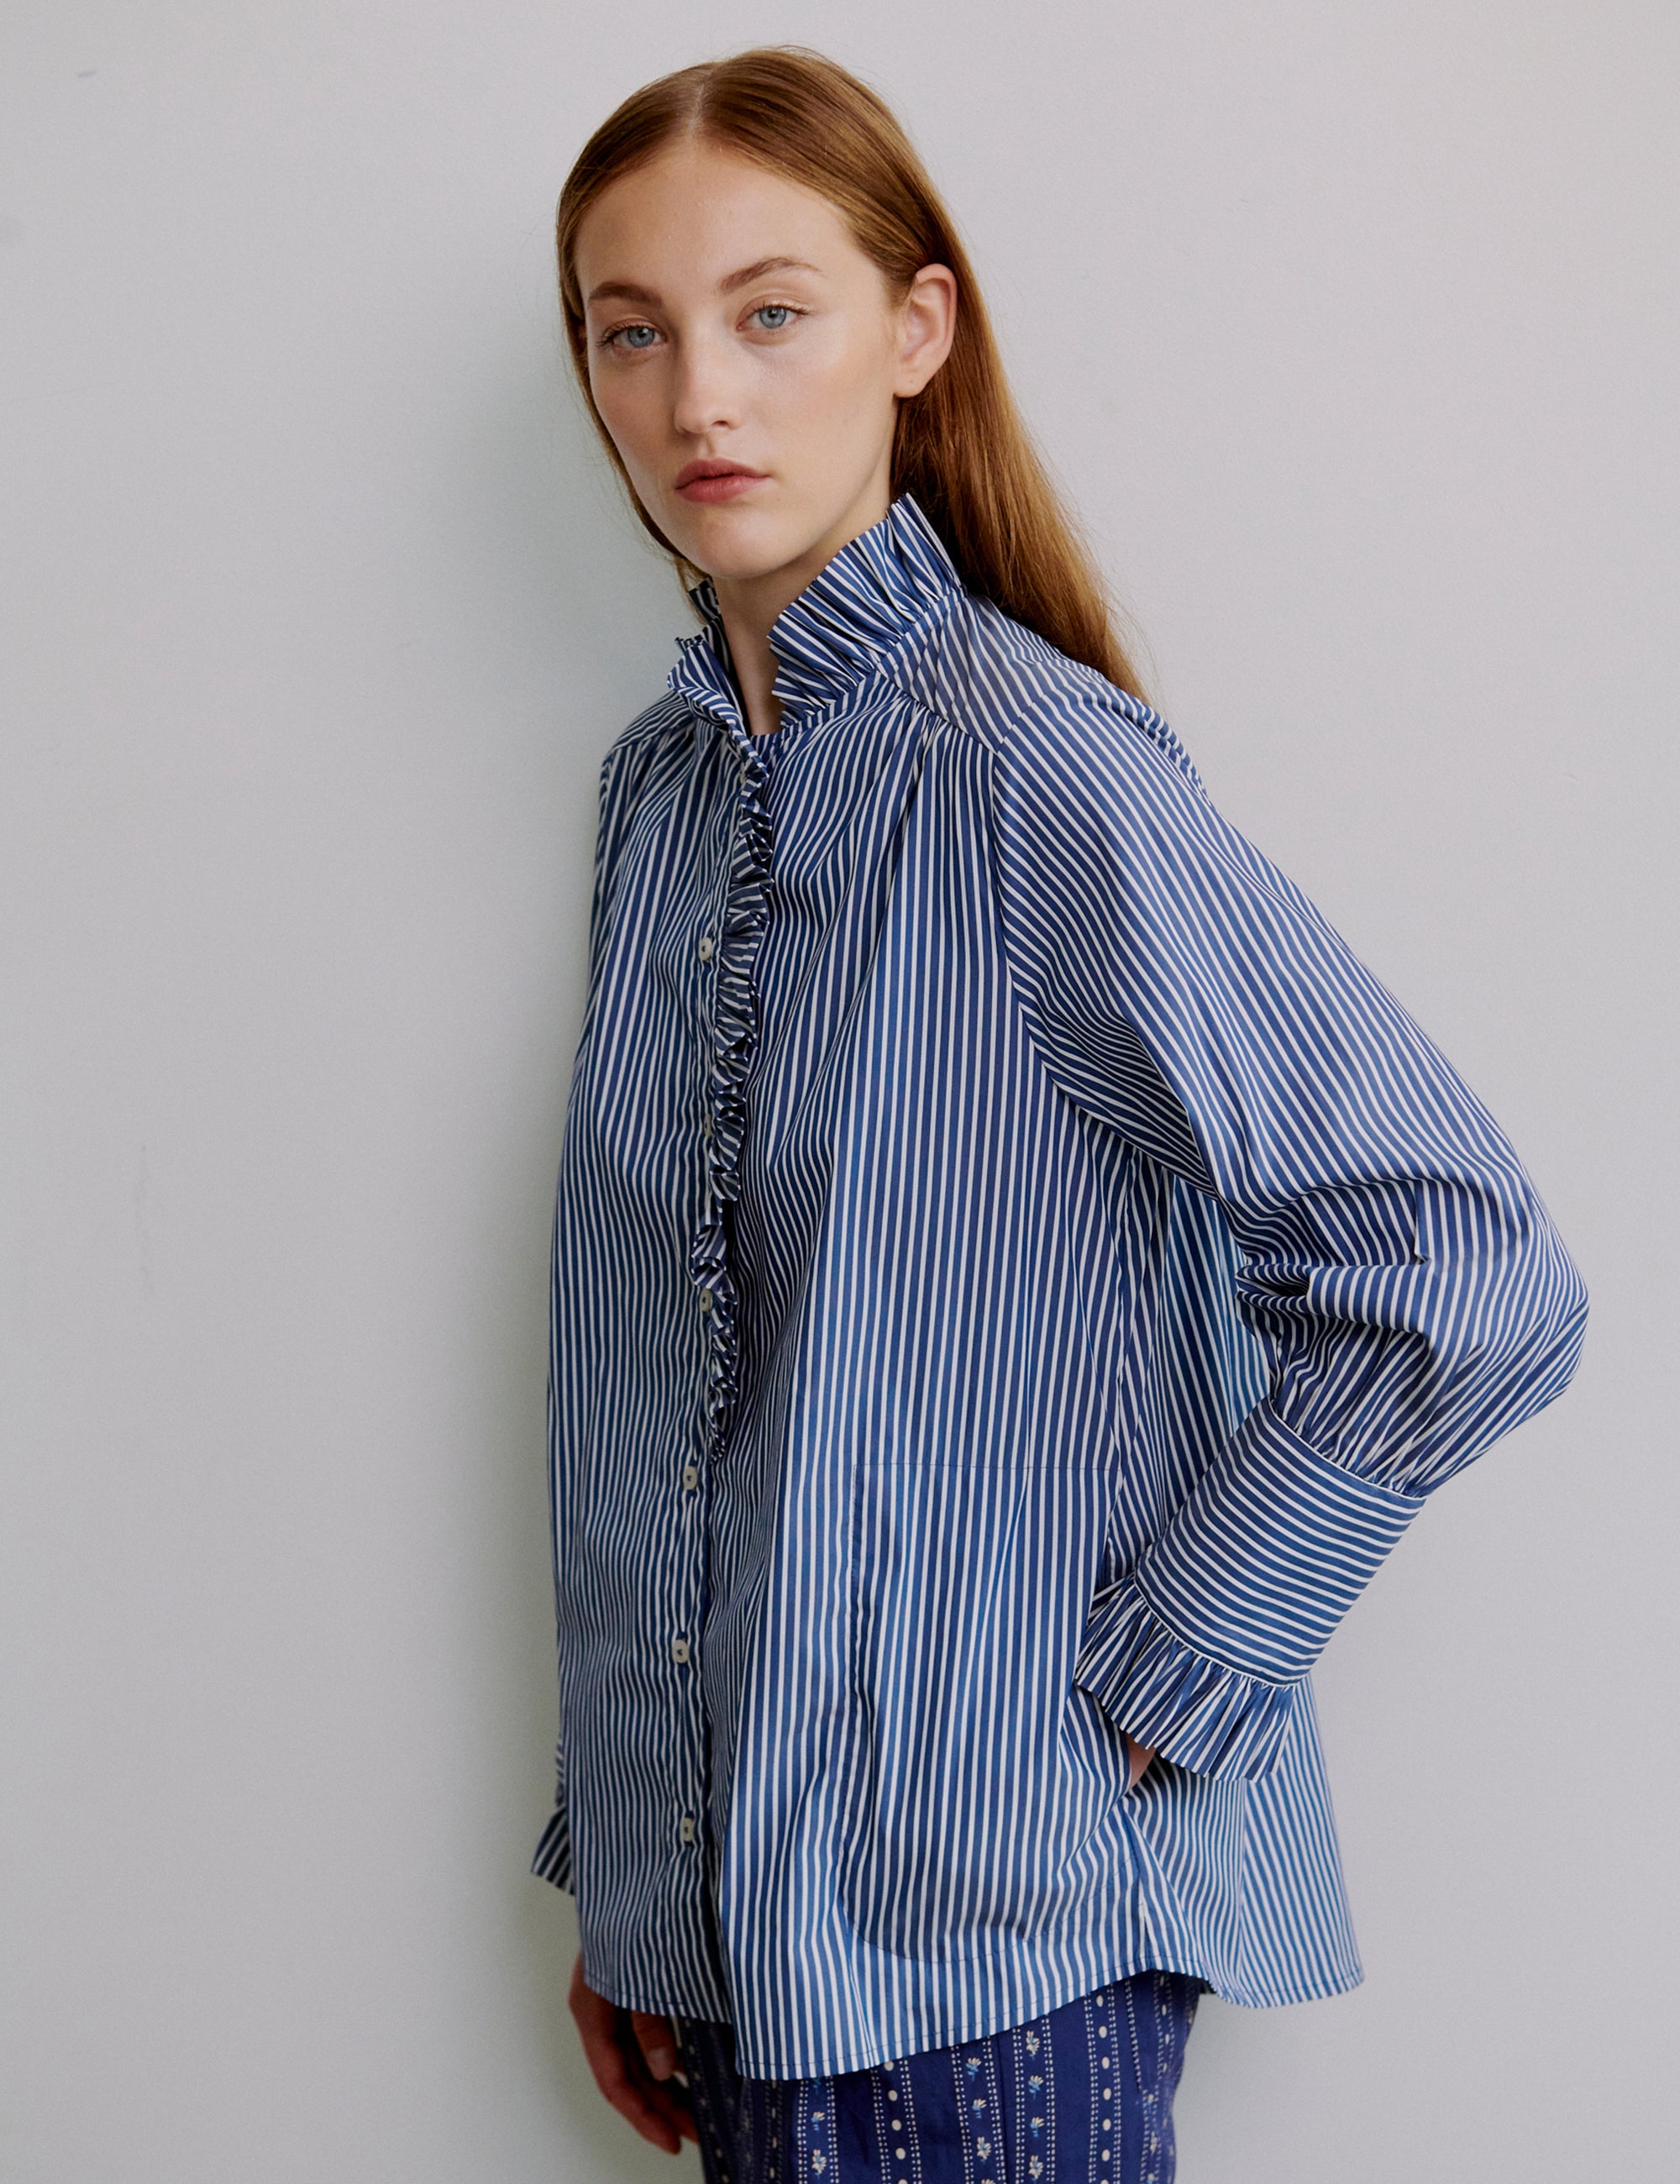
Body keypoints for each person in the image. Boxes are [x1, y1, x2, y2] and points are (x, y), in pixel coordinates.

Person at [531, 46, 1588, 2183]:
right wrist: (650, 1877)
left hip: (994, 1945)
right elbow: (669, 1390)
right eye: (627, 331)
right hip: (743, 1940)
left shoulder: (1030, 766)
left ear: (915, 332)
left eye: (769, 312)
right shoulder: (660, 804)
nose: (695, 401)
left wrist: (1148, 1680)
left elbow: (1465, 1267)